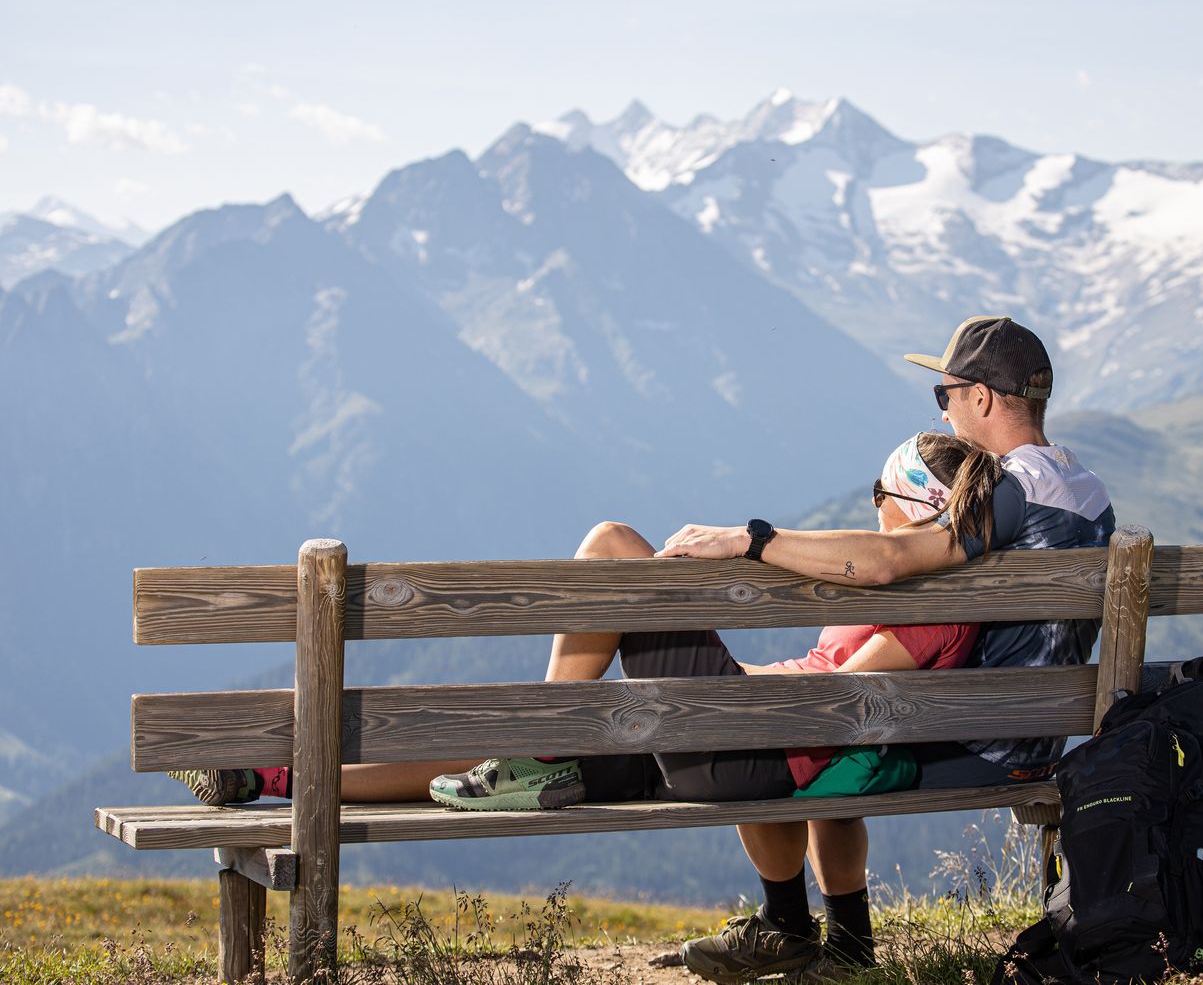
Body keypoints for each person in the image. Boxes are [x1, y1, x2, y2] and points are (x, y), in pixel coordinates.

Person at [165, 431, 1004, 823]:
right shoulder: (931, 593)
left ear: (912, 507)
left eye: (880, 496)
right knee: (498, 759)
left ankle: (535, 735)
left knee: (611, 544)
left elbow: (845, 705)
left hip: (751, 745)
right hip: (744, 749)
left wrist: (749, 665)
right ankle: (273, 778)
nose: (872, 509)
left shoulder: (925, 602)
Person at [669, 314, 1115, 984]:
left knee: (810, 727)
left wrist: (754, 539)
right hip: (1037, 735)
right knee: (846, 702)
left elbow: (887, 560)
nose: (944, 409)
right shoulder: (1086, 490)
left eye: (948, 394)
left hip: (976, 740)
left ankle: (791, 929)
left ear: (984, 399)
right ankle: (842, 941)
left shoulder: (1007, 489)